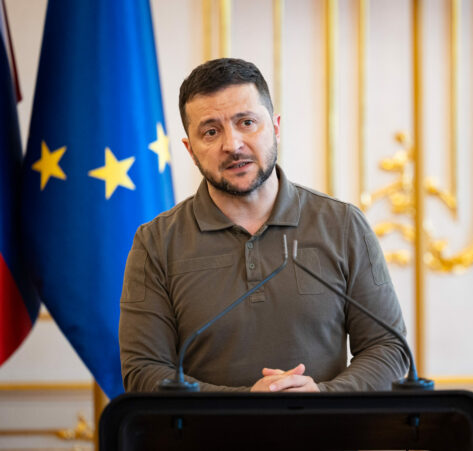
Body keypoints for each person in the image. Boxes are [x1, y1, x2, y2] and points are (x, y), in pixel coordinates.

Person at [119, 58, 408, 392]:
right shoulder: (155, 242)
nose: (232, 145)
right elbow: (143, 371)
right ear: (191, 150)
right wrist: (244, 404)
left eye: (246, 123)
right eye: (211, 132)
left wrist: (323, 396)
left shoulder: (343, 225)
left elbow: (389, 349)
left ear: (275, 127)